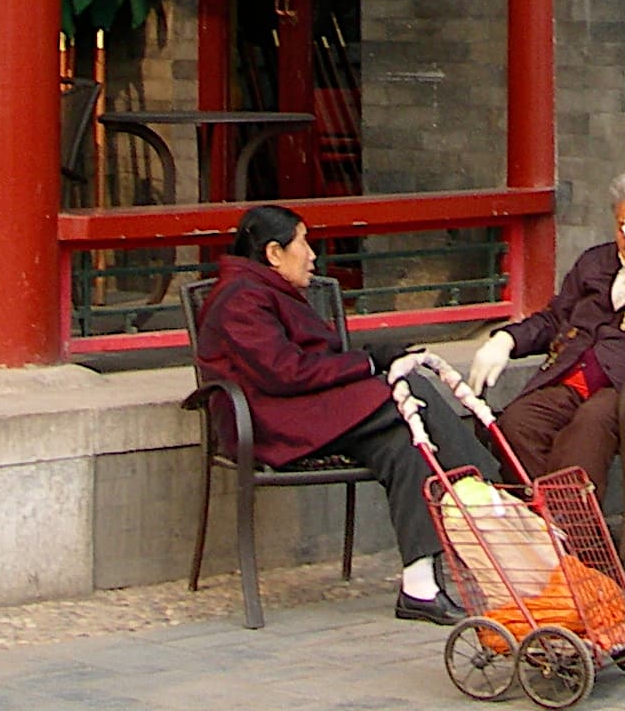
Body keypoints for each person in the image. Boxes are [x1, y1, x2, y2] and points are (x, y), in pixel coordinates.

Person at [196, 202, 508, 624]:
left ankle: (419, 586)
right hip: (272, 420)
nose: (312, 255)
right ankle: (495, 496)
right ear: (273, 254)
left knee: (405, 443)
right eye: (303, 244)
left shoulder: (267, 290)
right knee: (408, 388)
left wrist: (373, 356)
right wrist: (369, 364)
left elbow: (317, 356)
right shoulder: (240, 300)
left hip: (308, 410)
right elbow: (284, 373)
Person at [465, 168, 625, 489]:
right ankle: (550, 521)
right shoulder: (596, 262)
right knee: (518, 423)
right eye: (622, 227)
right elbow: (555, 319)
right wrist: (506, 340)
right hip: (575, 374)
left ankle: (571, 529)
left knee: (591, 423)